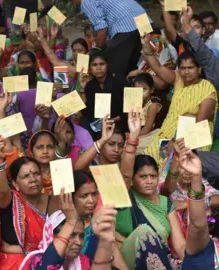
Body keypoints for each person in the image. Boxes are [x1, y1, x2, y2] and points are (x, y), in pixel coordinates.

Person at [117, 111, 186, 269]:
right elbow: (126, 175)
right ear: (133, 180)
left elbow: (180, 245)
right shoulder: (126, 198)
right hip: (128, 260)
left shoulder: (165, 203)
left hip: (163, 261)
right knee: (143, 232)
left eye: (153, 176)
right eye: (143, 176)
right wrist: (133, 137)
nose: (149, 181)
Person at [0, 133, 65, 269]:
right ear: (15, 184)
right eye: (26, 176)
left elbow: (58, 238)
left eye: (36, 174)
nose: (33, 179)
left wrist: (17, 248)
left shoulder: (53, 200)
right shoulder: (10, 200)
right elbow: (2, 190)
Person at [142, 33, 218, 169]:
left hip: (193, 139)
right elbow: (158, 68)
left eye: (190, 68)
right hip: (167, 134)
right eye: (183, 68)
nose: (186, 72)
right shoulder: (178, 80)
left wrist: (175, 142)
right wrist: (146, 46)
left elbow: (199, 123)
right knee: (149, 163)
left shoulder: (207, 89)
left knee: (171, 166)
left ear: (199, 69)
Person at [74, 0, 152, 74]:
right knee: (136, 66)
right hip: (144, 20)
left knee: (113, 72)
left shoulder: (86, 1)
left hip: (127, 26)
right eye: (74, 50)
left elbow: (102, 29)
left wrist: (94, 53)